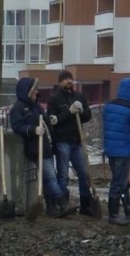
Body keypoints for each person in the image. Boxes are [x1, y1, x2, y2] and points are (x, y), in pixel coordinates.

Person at [9, 77, 72, 218]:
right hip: (35, 147)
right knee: (50, 177)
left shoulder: (36, 106)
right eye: (34, 89)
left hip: (46, 146)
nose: (37, 92)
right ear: (28, 91)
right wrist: (32, 130)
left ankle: (52, 206)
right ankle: (62, 203)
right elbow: (17, 126)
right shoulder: (19, 108)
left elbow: (45, 122)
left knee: (48, 178)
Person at [47, 70, 97, 214]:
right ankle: (62, 204)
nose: (68, 81)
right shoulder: (54, 99)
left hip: (77, 141)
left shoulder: (79, 96)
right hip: (63, 140)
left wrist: (81, 112)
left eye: (70, 78)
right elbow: (53, 120)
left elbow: (87, 116)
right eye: (65, 79)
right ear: (60, 82)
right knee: (63, 174)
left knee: (83, 173)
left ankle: (85, 204)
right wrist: (69, 112)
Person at [102, 77, 130, 226]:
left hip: (110, 149)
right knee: (118, 182)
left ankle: (128, 211)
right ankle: (113, 215)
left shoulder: (109, 106)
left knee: (121, 180)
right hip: (123, 150)